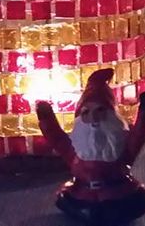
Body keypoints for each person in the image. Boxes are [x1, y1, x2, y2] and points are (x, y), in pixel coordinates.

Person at [36, 67, 145, 226]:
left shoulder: (120, 147)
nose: (93, 118)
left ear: (111, 115)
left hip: (118, 193)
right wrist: (46, 118)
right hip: (82, 194)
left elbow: (139, 135)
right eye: (86, 113)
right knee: (67, 202)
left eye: (100, 110)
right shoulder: (77, 149)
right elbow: (57, 138)